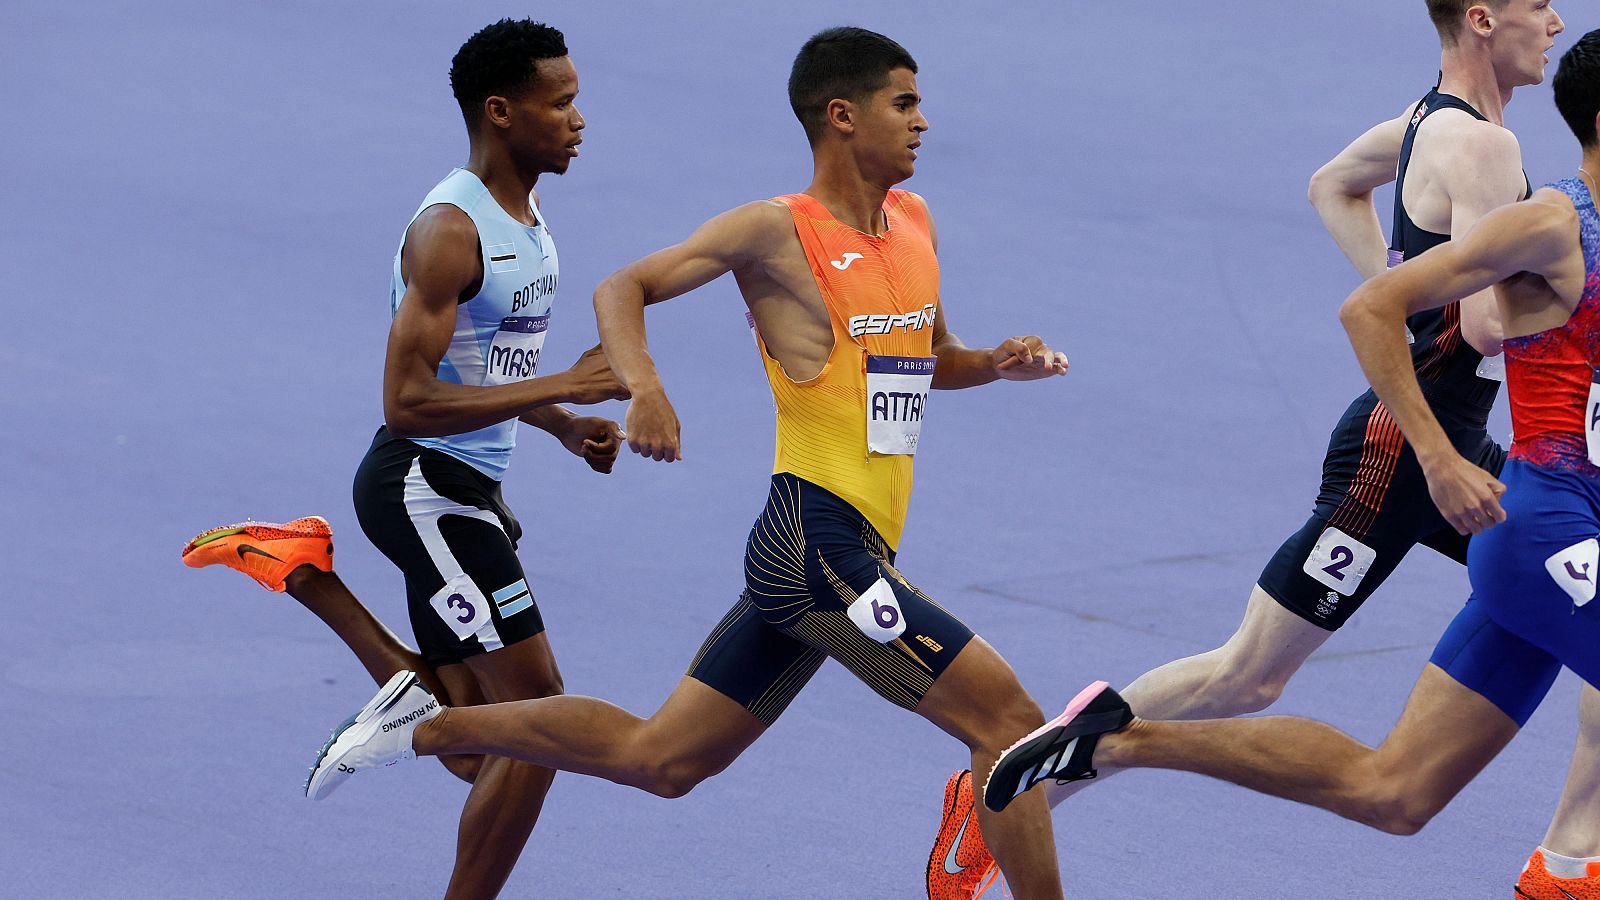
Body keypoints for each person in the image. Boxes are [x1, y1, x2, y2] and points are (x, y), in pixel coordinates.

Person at [300, 26, 1076, 899]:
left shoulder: (916, 225)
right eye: (905, 103)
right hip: (817, 547)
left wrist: (997, 362)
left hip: (837, 550)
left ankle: (424, 726)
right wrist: (646, 390)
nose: (923, 122)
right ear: (843, 116)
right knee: (1010, 723)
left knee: (660, 761)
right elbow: (621, 288)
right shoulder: (777, 229)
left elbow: (927, 359)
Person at [923, 1, 1576, 896]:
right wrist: (1559, 284)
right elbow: (1488, 327)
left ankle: (1573, 855)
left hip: (1447, 438)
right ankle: (1031, 773)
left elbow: (1329, 185)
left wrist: (1404, 287)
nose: (1557, 21)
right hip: (1408, 450)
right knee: (1250, 673)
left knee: (1559, 585)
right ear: (1483, 18)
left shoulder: (1425, 123)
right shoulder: (1490, 152)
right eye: (1539, 4)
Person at [181, 19, 627, 899]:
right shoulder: (450, 233)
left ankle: (308, 574)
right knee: (538, 726)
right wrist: (570, 377)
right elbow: (407, 402)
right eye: (562, 102)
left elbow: (483, 363)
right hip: (424, 488)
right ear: (501, 112)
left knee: (474, 746)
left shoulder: (526, 217)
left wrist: (561, 418)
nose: (580, 119)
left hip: (464, 489)